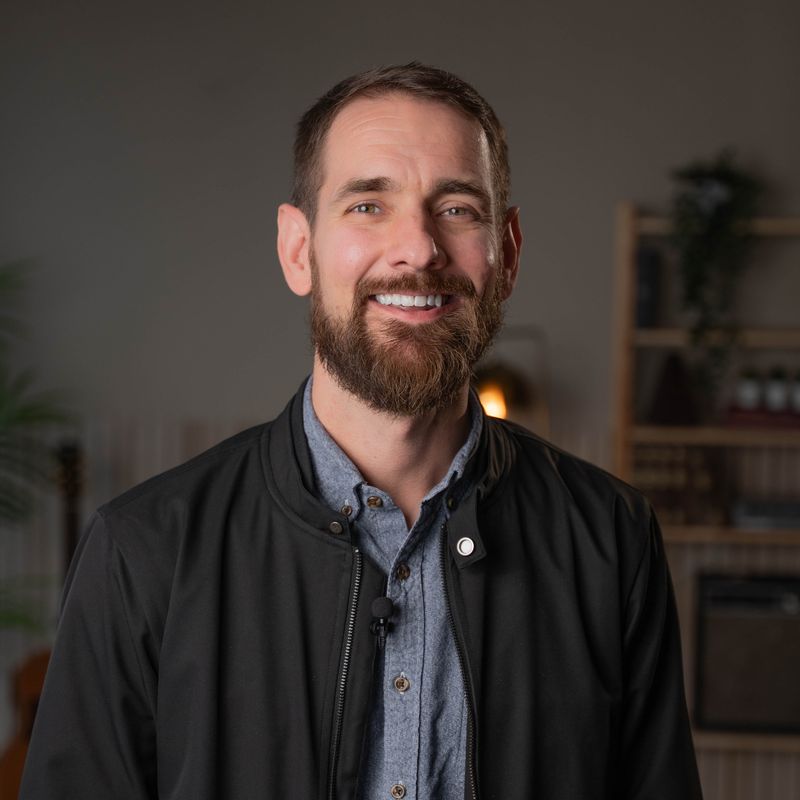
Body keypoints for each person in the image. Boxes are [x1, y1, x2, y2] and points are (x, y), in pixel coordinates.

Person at [21, 63, 702, 800]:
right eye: (369, 206)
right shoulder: (144, 552)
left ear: (506, 254)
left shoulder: (611, 538)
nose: (417, 249)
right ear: (297, 248)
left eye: (458, 209)